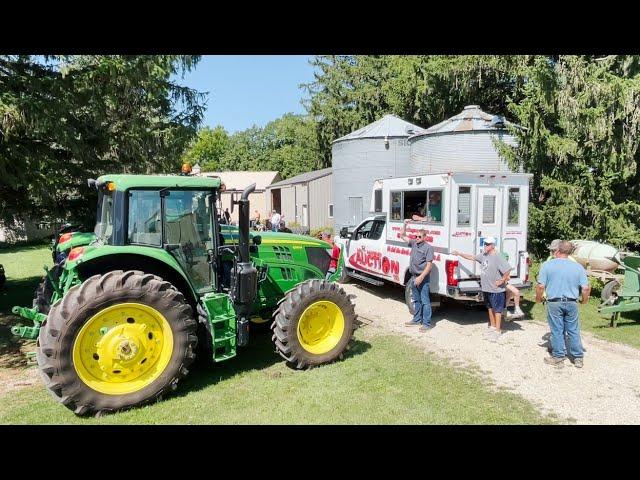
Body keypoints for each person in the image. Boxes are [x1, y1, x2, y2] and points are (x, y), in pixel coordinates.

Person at [536, 240, 590, 369]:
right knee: (573, 330)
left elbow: (540, 286)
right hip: (572, 302)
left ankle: (559, 358)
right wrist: (584, 300)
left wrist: (538, 298)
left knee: (557, 330)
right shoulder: (578, 267)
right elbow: (586, 288)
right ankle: (578, 358)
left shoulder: (547, 265)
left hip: (554, 302)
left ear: (558, 251)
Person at [453, 237, 512, 343]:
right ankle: (493, 328)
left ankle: (498, 331)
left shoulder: (498, 257)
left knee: (498, 310)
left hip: (496, 289)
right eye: (484, 244)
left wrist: (502, 280)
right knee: (489, 308)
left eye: (488, 244)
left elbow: (507, 269)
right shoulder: (483, 255)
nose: (485, 246)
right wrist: (459, 253)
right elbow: (472, 257)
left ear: (493, 246)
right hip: (486, 288)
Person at [401, 219, 434, 332]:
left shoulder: (428, 248)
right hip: (414, 277)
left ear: (425, 237)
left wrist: (421, 277)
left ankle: (426, 324)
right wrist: (405, 224)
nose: (417, 238)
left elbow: (429, 265)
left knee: (425, 301)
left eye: (419, 237)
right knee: (416, 300)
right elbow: (402, 235)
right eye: (416, 236)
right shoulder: (414, 243)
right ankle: (416, 320)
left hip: (422, 278)